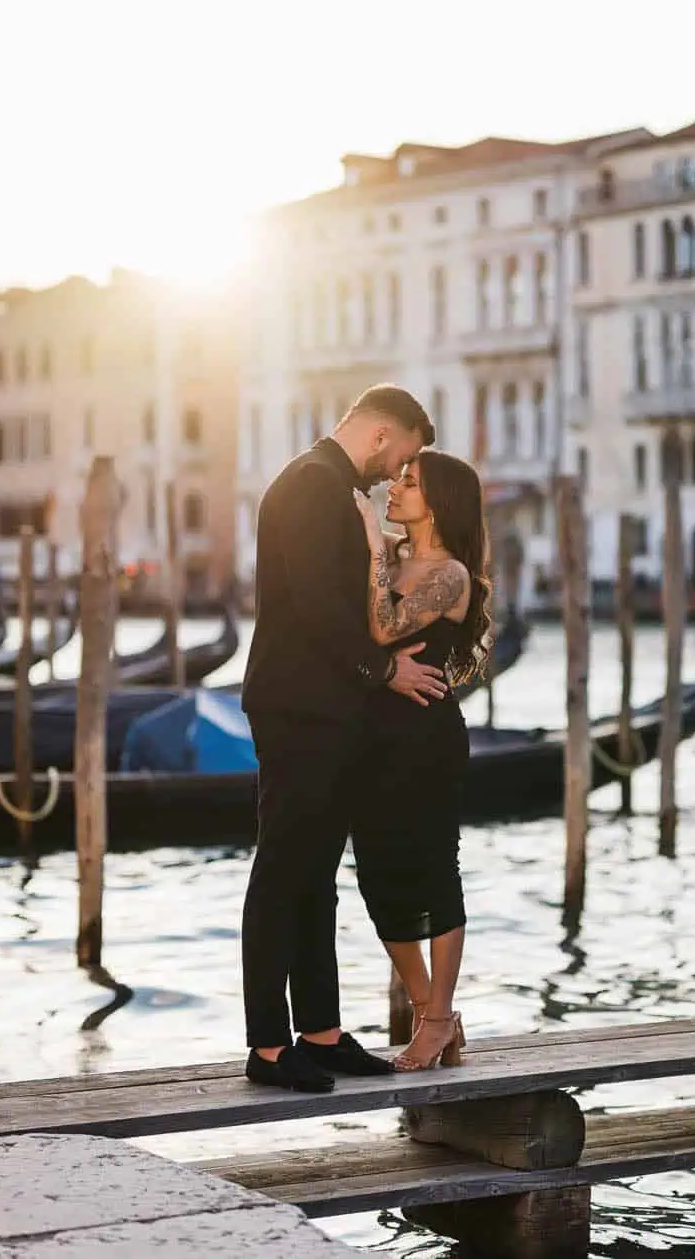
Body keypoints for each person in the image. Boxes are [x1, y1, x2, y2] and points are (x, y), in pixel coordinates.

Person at [239, 385, 447, 1092]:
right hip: (296, 707)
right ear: (383, 434)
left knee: (316, 878)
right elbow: (315, 607)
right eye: (405, 457)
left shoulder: (331, 490)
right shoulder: (310, 486)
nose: (398, 474)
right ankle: (267, 1045)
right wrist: (385, 669)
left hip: (327, 709)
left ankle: (319, 1032)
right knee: (281, 873)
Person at [349, 450, 492, 1072]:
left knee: (433, 870)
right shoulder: (391, 557)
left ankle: (434, 1019)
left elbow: (383, 628)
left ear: (439, 501)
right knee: (376, 874)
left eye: (410, 482)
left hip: (426, 740)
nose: (395, 487)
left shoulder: (452, 575)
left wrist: (375, 547)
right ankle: (432, 1009)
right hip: (372, 738)